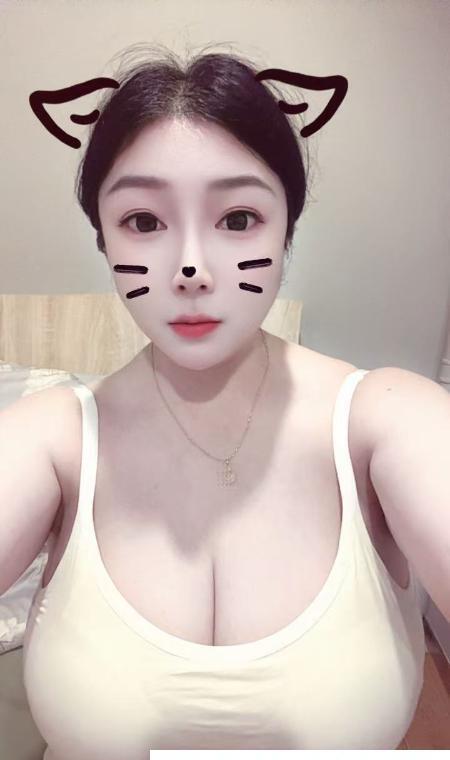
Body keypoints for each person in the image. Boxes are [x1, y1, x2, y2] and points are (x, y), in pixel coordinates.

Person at [19, 44, 425, 754]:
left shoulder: (389, 419)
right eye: (144, 221)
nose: (192, 268)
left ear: (287, 229)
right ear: (103, 239)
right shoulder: (49, 436)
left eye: (237, 219)